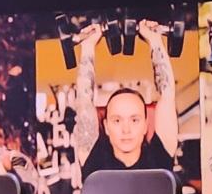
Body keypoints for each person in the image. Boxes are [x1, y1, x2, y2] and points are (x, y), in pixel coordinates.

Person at [71, 19, 179, 180]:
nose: (126, 130)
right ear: (106, 127)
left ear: (145, 125)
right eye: (117, 121)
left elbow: (167, 93)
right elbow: (84, 100)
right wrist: (87, 46)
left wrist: (154, 40)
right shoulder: (95, 163)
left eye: (134, 120)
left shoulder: (159, 158)